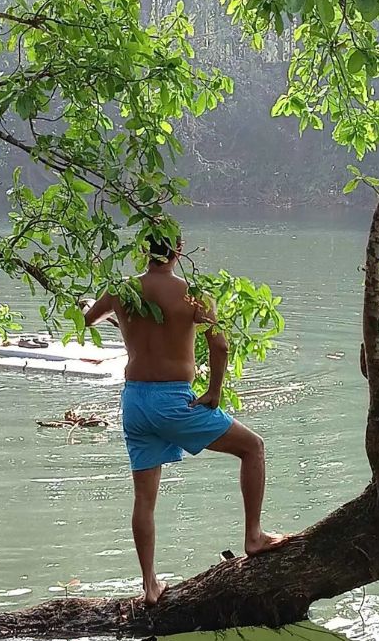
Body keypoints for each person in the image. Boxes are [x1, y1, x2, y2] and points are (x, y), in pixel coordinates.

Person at [81, 234, 286, 604]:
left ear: (144, 251)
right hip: (172, 400)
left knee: (144, 499)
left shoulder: (121, 291)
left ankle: (149, 585)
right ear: (178, 251)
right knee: (253, 448)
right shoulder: (193, 294)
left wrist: (88, 306)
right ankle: (254, 536)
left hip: (135, 401)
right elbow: (219, 345)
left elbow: (89, 319)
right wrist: (215, 391)